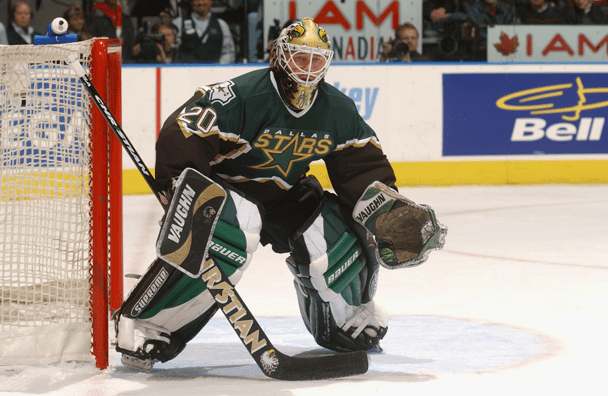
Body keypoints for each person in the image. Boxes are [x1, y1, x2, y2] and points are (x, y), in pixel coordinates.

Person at [112, 17, 447, 372]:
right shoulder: (246, 95)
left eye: (316, 61)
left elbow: (360, 166)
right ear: (279, 56)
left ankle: (348, 320)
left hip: (284, 192)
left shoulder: (336, 110)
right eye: (300, 58)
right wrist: (180, 185)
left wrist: (386, 211)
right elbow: (184, 129)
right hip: (229, 187)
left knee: (331, 236)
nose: (308, 69)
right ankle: (148, 326)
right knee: (233, 228)